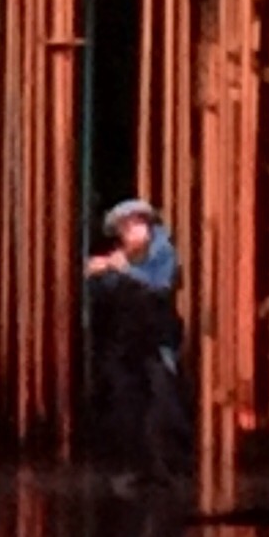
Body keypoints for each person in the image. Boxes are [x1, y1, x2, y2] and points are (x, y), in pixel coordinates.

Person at [84, 198, 191, 487]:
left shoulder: (162, 251)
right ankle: (141, 465)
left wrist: (121, 269)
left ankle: (171, 467)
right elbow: (104, 291)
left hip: (156, 341)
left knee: (163, 402)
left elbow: (161, 284)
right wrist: (103, 271)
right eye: (125, 228)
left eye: (135, 225)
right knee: (128, 403)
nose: (130, 233)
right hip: (128, 343)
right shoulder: (123, 258)